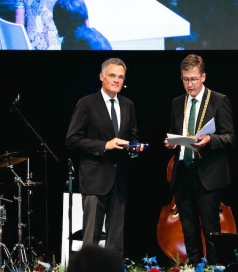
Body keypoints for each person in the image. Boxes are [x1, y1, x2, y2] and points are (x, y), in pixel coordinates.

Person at [65, 58, 145, 261]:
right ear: (101, 77)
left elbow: (132, 136)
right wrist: (104, 145)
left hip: (120, 179)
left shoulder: (128, 105)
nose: (116, 80)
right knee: (90, 237)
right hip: (94, 179)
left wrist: (135, 148)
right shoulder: (86, 103)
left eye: (120, 77)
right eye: (112, 75)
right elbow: (72, 140)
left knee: (116, 240)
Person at [163, 54, 235, 266]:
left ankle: (213, 267)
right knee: (188, 227)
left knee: (211, 228)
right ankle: (193, 266)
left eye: (193, 79)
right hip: (183, 171)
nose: (189, 84)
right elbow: (174, 132)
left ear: (203, 76)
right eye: (185, 79)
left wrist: (209, 139)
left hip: (208, 173)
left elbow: (230, 136)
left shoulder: (219, 100)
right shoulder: (177, 103)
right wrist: (172, 143)